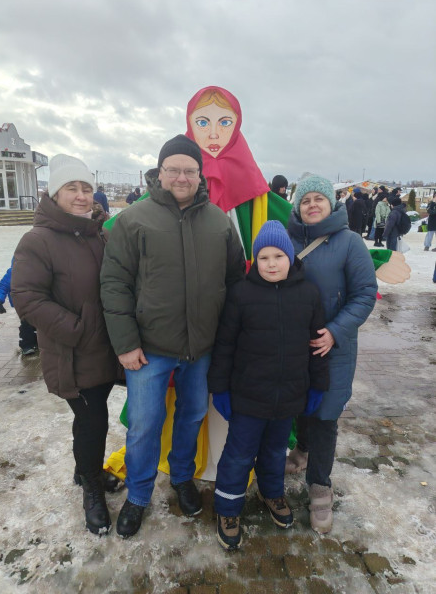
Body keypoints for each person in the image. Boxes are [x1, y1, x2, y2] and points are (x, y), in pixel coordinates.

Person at [100, 134, 246, 538]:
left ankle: (182, 476)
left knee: (192, 415)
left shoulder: (219, 221)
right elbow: (114, 283)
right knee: (144, 424)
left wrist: (229, 339)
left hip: (202, 348)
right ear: (159, 172)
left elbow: (235, 282)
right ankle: (138, 494)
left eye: (190, 170)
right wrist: (126, 343)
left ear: (200, 175)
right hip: (149, 349)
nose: (182, 177)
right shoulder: (134, 220)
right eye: (174, 169)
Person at [11, 154, 120, 536]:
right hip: (73, 352)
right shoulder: (38, 240)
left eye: (86, 188)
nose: (81, 195)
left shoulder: (98, 235)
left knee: (92, 417)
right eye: (71, 188)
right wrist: (76, 329)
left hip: (103, 350)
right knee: (92, 421)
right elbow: (26, 297)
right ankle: (91, 487)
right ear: (54, 194)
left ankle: (83, 470)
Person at [208, 221, 329, 550]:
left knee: (275, 451)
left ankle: (271, 492)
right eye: (263, 257)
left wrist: (317, 386)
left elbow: (317, 347)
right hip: (248, 397)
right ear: (255, 261)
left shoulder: (308, 294)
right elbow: (225, 346)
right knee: (239, 454)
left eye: (278, 256)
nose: (271, 264)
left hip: (289, 396)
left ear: (290, 258)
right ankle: (228, 508)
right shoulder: (241, 294)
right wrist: (220, 389)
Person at [286, 174, 377, 533]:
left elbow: (365, 293)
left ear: (331, 203)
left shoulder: (349, 242)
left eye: (318, 199)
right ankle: (302, 448)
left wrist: (335, 332)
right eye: (305, 200)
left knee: (325, 415)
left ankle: (320, 486)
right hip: (292, 346)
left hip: (332, 347)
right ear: (297, 206)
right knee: (298, 404)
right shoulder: (286, 238)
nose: (312, 205)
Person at [0, 263, 38, 355]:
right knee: (26, 323)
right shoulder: (12, 272)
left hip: (35, 302)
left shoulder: (36, 270)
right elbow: (2, 287)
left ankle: (36, 342)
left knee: (36, 323)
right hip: (20, 303)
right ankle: (26, 346)